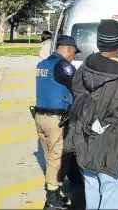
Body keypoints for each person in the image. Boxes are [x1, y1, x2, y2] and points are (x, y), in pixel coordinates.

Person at [63, 19, 118, 209]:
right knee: (114, 194)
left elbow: (80, 98)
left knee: (93, 193)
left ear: (98, 41)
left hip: (84, 141)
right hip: (113, 147)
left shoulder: (86, 66)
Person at [34, 35, 80, 210]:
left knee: (49, 157)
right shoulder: (63, 66)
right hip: (56, 120)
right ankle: (52, 201)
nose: (73, 57)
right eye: (74, 53)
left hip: (40, 117)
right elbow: (77, 86)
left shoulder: (42, 64)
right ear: (69, 49)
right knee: (57, 158)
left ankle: (55, 195)